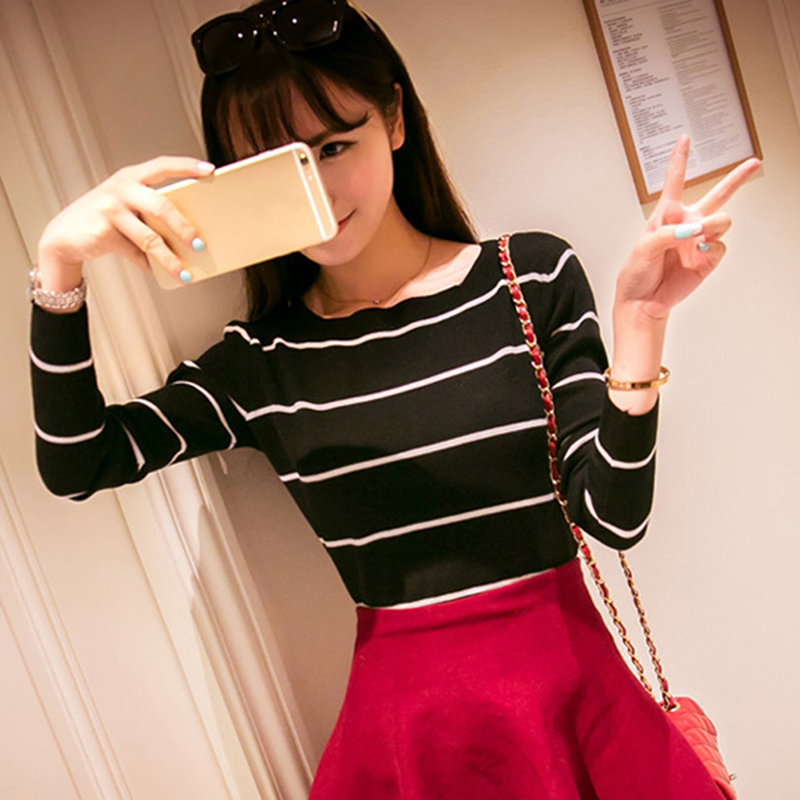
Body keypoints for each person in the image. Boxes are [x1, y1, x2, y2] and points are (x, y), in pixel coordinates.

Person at [29, 2, 760, 798]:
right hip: (409, 746)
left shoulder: (529, 279)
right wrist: (60, 266)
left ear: (395, 119)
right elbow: (77, 462)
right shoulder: (263, 363)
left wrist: (642, 322)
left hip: (576, 712)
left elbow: (613, 519)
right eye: (273, 166)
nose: (316, 189)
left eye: (333, 146)